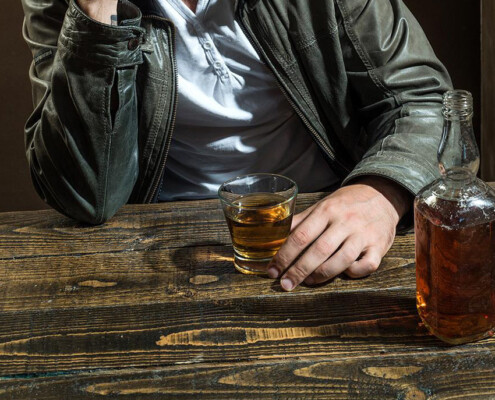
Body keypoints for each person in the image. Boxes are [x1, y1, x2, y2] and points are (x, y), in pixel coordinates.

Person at [21, 0, 452, 291]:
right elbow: (85, 195)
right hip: (158, 249)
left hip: (330, 224)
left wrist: (382, 191)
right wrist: (96, 17)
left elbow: (420, 98)